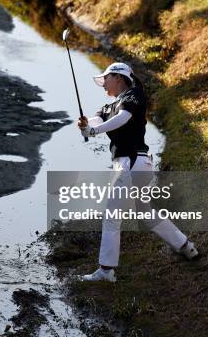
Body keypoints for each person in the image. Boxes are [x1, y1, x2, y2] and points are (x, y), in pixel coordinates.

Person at [77, 62, 198, 282]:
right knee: (145, 211)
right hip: (138, 166)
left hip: (129, 164)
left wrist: (93, 130)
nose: (104, 84)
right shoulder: (111, 105)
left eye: (107, 79)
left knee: (111, 217)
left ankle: (106, 271)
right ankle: (186, 246)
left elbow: (123, 118)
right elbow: (98, 118)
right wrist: (86, 123)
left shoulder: (133, 95)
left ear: (119, 78)